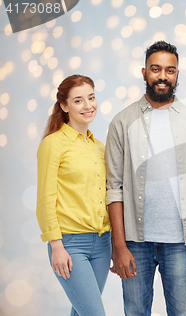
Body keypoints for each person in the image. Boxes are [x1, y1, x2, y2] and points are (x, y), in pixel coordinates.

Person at [105, 41, 186, 316]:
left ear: (177, 74)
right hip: (135, 242)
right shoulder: (122, 122)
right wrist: (119, 245)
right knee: (135, 312)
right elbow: (113, 188)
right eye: (156, 69)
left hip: (180, 242)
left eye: (170, 70)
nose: (163, 76)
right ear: (144, 72)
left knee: (181, 312)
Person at [36, 74, 111, 316]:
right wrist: (55, 245)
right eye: (78, 101)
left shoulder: (99, 147)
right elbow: (45, 198)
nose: (88, 106)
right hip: (70, 244)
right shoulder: (53, 144)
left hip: (102, 243)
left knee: (81, 312)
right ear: (64, 106)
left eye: (91, 98)